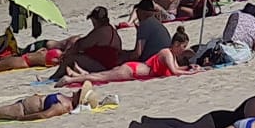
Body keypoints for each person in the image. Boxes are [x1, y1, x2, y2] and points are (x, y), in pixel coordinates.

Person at [124, 77, 255, 128]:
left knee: (184, 125)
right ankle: (139, 127)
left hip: (223, 124)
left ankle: (149, 121)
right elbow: (250, 124)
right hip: (218, 121)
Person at [58, 30, 199, 85]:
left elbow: (175, 69)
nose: (184, 50)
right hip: (133, 70)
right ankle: (70, 79)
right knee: (102, 78)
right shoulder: (166, 53)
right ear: (176, 44)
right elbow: (174, 72)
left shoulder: (171, 55)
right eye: (183, 46)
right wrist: (191, 72)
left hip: (133, 69)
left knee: (102, 75)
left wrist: (188, 67)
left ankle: (79, 73)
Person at [46, 5, 124, 81]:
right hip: (109, 64)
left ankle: (52, 78)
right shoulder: (111, 30)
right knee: (76, 58)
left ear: (95, 20)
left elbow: (81, 45)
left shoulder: (100, 32)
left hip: (103, 66)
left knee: (71, 59)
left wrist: (66, 54)